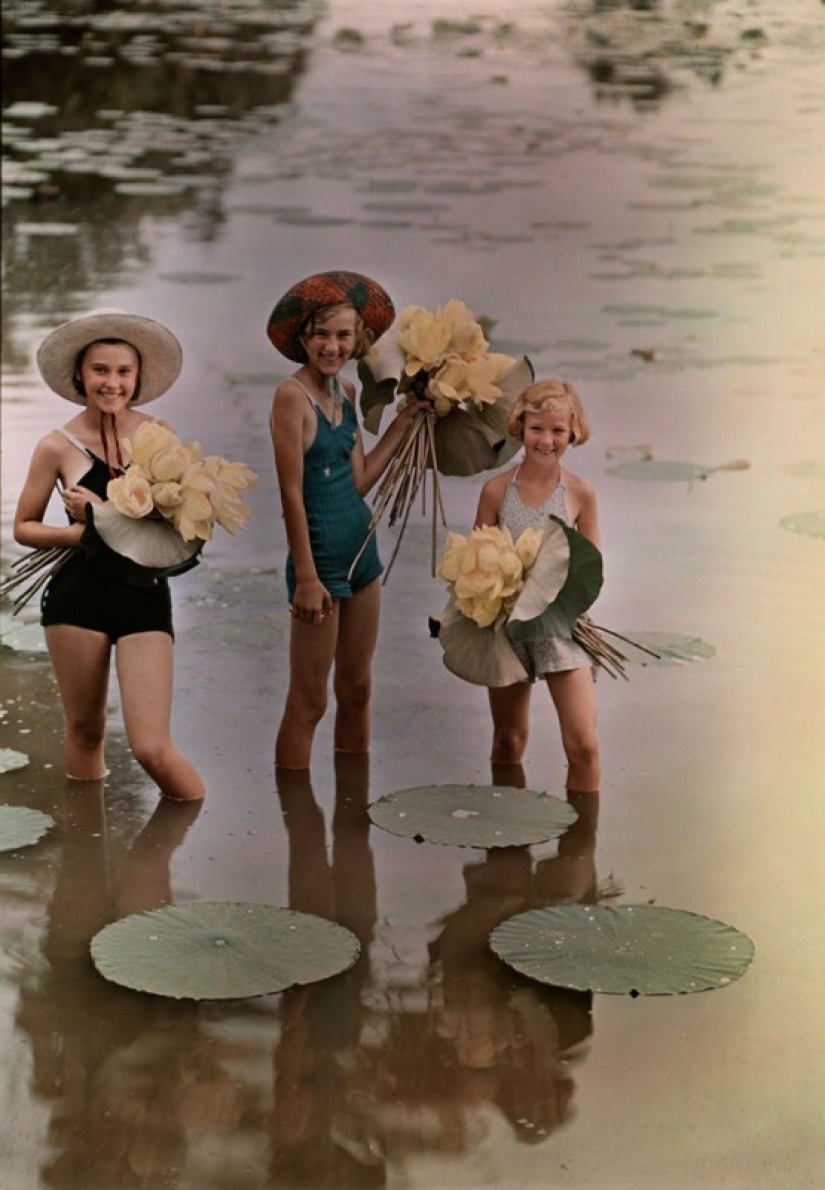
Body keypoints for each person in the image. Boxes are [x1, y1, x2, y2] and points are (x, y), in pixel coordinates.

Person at [12, 309, 205, 801]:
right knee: (86, 732)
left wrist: (103, 516)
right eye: (101, 370)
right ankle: (85, 861)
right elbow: (24, 527)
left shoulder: (158, 436)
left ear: (138, 377)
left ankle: (189, 814)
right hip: (77, 601)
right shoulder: (56, 444)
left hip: (143, 598)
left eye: (123, 372)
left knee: (151, 747)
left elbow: (183, 526)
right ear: (80, 374)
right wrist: (84, 535)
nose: (111, 383)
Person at [267, 270, 422, 770]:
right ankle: (299, 831)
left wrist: (404, 421)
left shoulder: (349, 393)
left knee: (358, 688)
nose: (331, 346)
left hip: (363, 552)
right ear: (303, 338)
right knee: (310, 703)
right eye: (321, 335)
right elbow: (291, 493)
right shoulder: (291, 397)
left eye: (343, 336)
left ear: (359, 341)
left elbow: (357, 482)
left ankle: (352, 821)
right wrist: (307, 578)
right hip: (320, 562)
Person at [473, 379, 601, 795]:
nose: (546, 440)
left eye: (558, 431)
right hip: (507, 626)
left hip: (562, 625)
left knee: (583, 745)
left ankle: (582, 846)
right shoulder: (495, 491)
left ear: (574, 433)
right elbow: (475, 565)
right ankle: (507, 839)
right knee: (508, 740)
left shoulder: (580, 493)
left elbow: (591, 571)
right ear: (519, 427)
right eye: (537, 429)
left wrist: (553, 593)